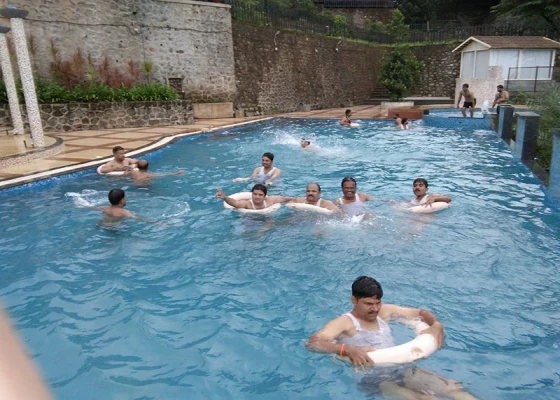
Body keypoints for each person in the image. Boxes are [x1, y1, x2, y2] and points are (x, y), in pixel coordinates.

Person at [306, 276, 477, 399]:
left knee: (453, 388)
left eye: (377, 303)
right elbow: (313, 343)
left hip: (401, 368)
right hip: (372, 378)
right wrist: (346, 349)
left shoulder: (385, 312)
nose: (375, 309)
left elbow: (420, 313)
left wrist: (436, 325)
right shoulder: (344, 323)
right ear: (354, 300)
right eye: (368, 304)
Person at [78, 189, 156, 223]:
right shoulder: (124, 212)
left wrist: (81, 204)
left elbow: (91, 207)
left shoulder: (104, 208)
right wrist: (155, 222)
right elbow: (137, 218)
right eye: (125, 198)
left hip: (101, 224)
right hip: (114, 227)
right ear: (121, 200)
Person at [216, 184, 292, 211]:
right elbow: (235, 203)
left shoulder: (270, 200)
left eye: (260, 195)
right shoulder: (247, 204)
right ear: (252, 194)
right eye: (255, 194)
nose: (257, 197)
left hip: (266, 217)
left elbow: (286, 199)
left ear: (264, 196)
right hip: (250, 218)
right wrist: (225, 197)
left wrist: (297, 201)